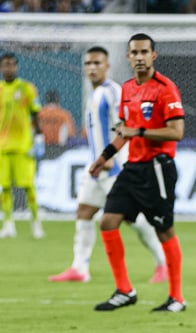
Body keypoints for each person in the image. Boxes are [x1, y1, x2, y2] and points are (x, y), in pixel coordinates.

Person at [48, 46, 167, 284]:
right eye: (88, 64)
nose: (92, 68)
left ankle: (162, 263)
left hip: (114, 168)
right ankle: (80, 268)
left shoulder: (113, 92)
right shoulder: (95, 94)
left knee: (132, 218)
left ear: (107, 66)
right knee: (84, 211)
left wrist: (111, 156)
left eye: (97, 63)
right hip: (98, 167)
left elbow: (126, 125)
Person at [89, 33, 186, 312]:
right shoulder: (128, 88)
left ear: (153, 55)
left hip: (158, 168)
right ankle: (124, 290)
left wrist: (139, 131)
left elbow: (177, 131)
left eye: (145, 52)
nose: (140, 57)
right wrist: (103, 157)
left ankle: (177, 297)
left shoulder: (165, 88)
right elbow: (123, 130)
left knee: (164, 229)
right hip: (132, 167)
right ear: (128, 56)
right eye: (135, 52)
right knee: (107, 221)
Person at [0, 52, 45, 239]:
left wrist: (39, 137)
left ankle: (36, 223)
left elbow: (35, 113)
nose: (8, 68)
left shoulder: (27, 88)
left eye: (11, 65)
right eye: (5, 65)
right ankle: (8, 223)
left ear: (16, 67)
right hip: (2, 147)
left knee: (28, 186)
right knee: (4, 187)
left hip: (23, 146)